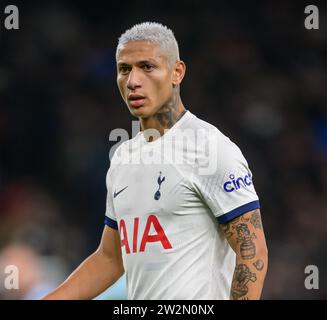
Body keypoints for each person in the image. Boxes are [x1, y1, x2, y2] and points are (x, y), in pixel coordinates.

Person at [44, 22, 268, 300]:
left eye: (147, 67)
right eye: (124, 69)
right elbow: (111, 258)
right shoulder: (123, 157)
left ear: (177, 72)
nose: (133, 81)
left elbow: (251, 251)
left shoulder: (210, 148)